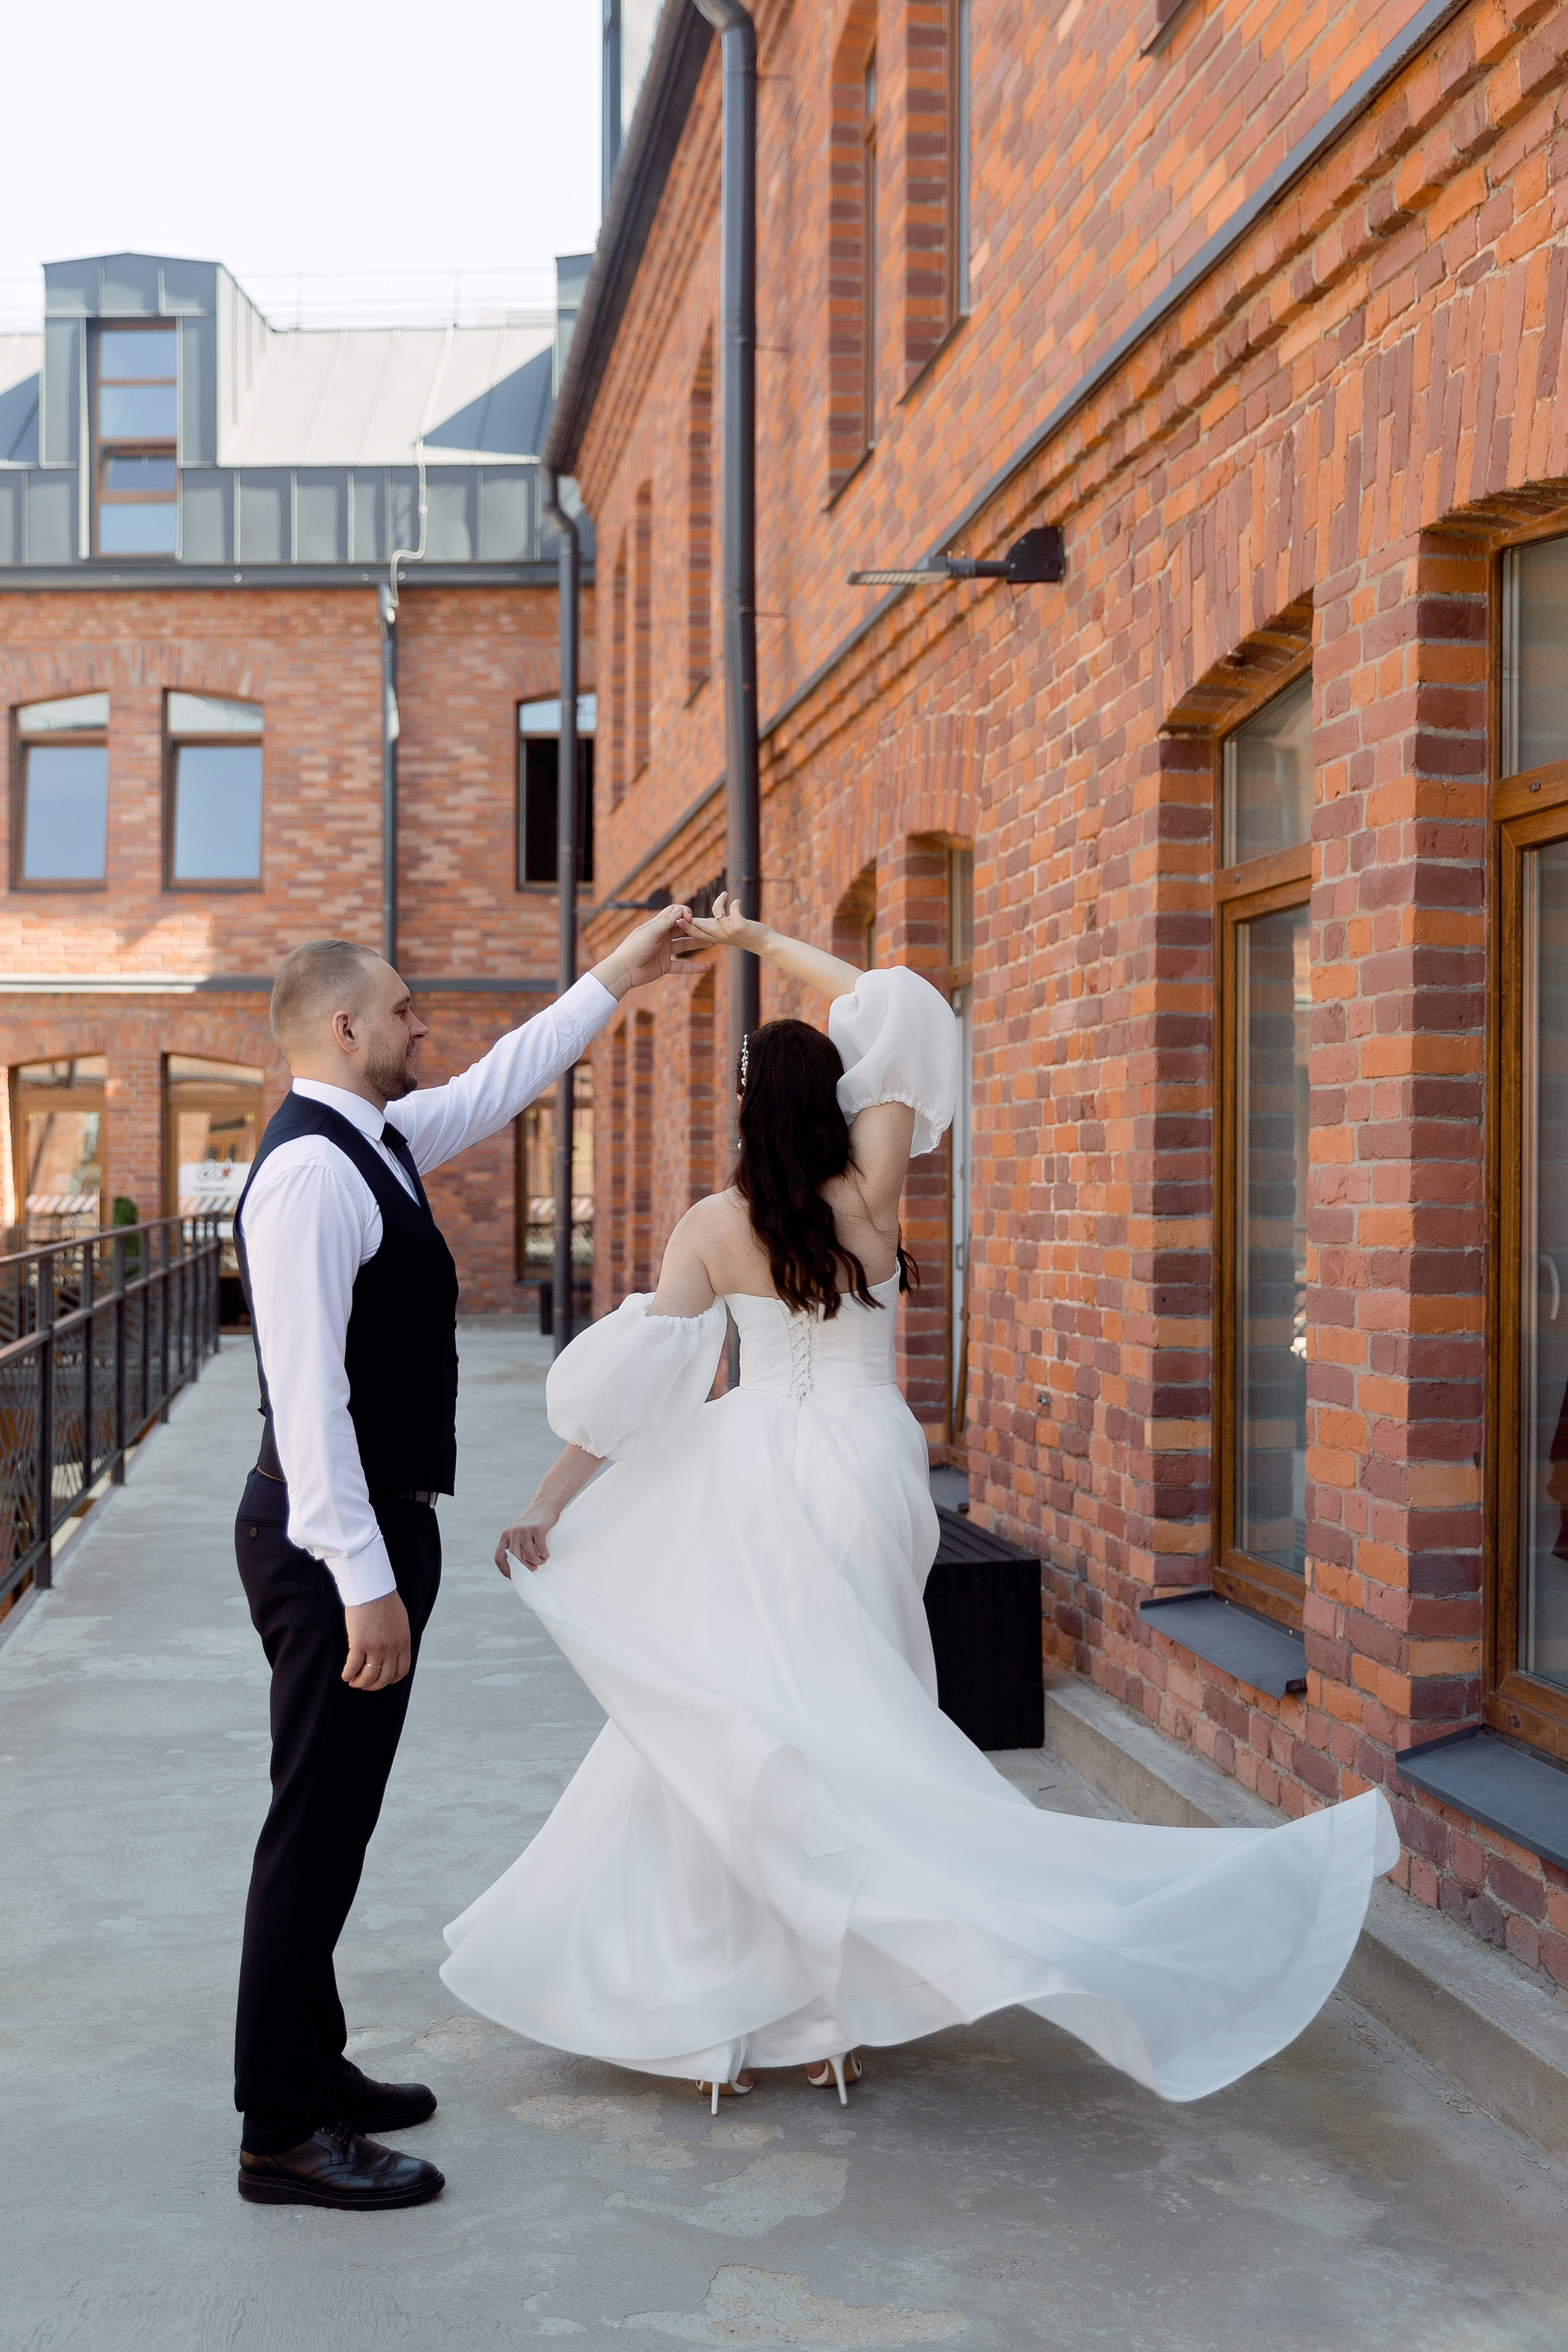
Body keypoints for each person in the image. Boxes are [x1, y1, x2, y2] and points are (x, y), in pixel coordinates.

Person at [441, 899, 1398, 2114]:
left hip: (751, 1478)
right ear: (833, 1098)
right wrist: (761, 947)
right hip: (866, 1469)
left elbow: (637, 1388)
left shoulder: (710, 1226)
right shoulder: (873, 1194)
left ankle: (734, 2012)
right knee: (861, 1720)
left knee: (750, 1730)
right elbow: (903, 1003)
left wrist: (545, 1504)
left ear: (744, 1113)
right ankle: (830, 2020)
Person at [230, 906, 690, 2211]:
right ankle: (281, 2131)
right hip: (336, 1543)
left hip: (375, 1528)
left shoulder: (374, 1139)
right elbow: (306, 1398)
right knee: (313, 1831)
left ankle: (310, 2067)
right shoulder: (314, 1173)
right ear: (343, 1028)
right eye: (404, 1009)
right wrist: (364, 1581)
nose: (422, 1025)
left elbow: (501, 1083)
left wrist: (617, 973)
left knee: (338, 1818)